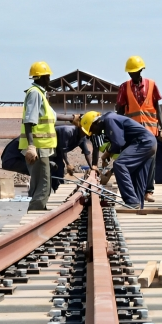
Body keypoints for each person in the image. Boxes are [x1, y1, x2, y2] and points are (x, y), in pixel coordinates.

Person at [80, 110, 156, 208]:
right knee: (137, 174)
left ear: (96, 122)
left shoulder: (109, 120)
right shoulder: (110, 120)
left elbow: (119, 143)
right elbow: (121, 143)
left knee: (119, 164)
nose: (93, 132)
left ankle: (131, 202)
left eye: (92, 129)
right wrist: (110, 164)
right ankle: (137, 205)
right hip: (149, 143)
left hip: (142, 142)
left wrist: (107, 153)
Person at [116, 56, 162, 203]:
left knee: (151, 161)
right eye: (130, 73)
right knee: (135, 162)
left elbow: (157, 107)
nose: (133, 75)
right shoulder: (124, 87)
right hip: (133, 133)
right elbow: (119, 111)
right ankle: (136, 191)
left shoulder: (151, 84)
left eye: (135, 72)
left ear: (141, 70)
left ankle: (148, 191)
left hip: (150, 130)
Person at [20, 61, 57, 211]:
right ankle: (35, 214)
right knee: (43, 185)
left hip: (42, 148)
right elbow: (29, 120)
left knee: (42, 184)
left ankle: (38, 212)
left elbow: (51, 117)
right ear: (43, 77)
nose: (49, 79)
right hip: (38, 148)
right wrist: (31, 146)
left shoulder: (40, 93)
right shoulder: (35, 93)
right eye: (48, 76)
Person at [52, 114, 96, 184]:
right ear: (80, 127)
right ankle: (56, 186)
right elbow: (63, 150)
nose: (84, 134)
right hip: (51, 148)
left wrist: (91, 167)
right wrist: (68, 164)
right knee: (57, 167)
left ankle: (58, 184)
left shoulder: (82, 137)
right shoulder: (68, 132)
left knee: (59, 168)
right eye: (84, 132)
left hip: (58, 151)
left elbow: (86, 152)